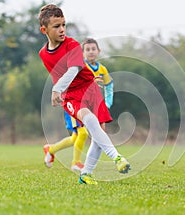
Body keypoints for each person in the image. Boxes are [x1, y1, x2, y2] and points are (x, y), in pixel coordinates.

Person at [38, 4, 130, 185]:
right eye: (56, 26)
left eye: (64, 24)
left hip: (91, 89)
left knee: (99, 134)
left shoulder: (71, 45)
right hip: (72, 95)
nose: (62, 29)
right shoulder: (43, 54)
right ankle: (117, 158)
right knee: (88, 119)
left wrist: (56, 89)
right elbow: (59, 74)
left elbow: (73, 69)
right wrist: (60, 90)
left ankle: (86, 174)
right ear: (44, 30)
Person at [43, 38, 114, 172]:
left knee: (75, 137)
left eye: (93, 49)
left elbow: (109, 85)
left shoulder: (102, 69)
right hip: (75, 103)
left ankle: (50, 149)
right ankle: (76, 163)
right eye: (87, 49)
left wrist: (108, 102)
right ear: (81, 53)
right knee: (82, 134)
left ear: (99, 51)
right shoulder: (78, 66)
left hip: (91, 106)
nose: (91, 52)